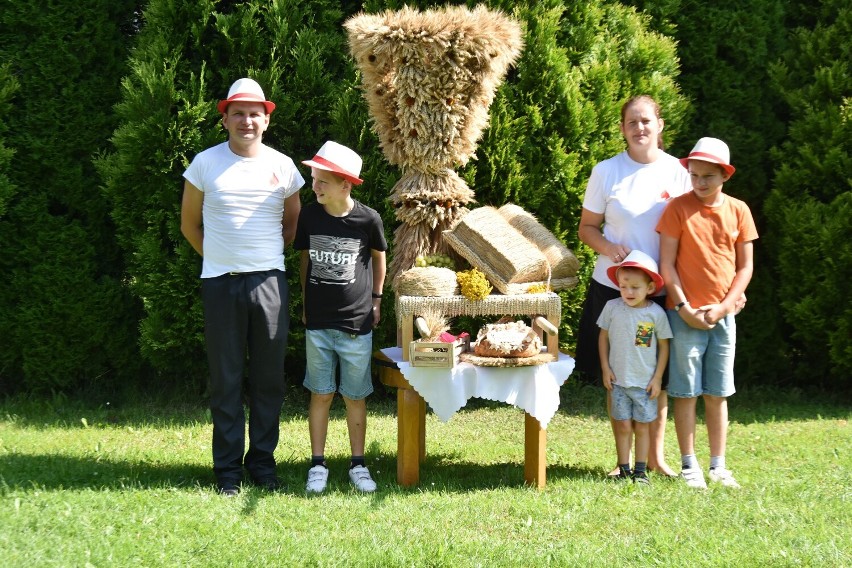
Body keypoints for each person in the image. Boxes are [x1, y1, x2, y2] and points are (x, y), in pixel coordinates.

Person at [181, 78, 305, 496]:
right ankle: (227, 470)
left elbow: (292, 225)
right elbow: (188, 224)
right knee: (226, 379)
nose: (246, 120)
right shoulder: (204, 163)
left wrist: (260, 258)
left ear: (266, 120)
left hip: (269, 282)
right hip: (219, 285)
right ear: (225, 119)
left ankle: (263, 465)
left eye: (255, 113)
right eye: (238, 113)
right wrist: (219, 257)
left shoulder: (283, 165)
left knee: (269, 379)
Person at [576, 95, 691, 477]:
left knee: (656, 373)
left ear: (659, 124)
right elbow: (587, 228)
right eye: (631, 122)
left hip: (661, 288)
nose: (639, 128)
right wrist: (610, 249)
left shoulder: (678, 172)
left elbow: (692, 230)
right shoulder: (606, 171)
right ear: (623, 129)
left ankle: (655, 458)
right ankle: (622, 461)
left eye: (646, 121)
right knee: (621, 374)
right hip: (615, 287)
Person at [657, 137, 758, 489]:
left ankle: (718, 465)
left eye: (707, 177)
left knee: (718, 392)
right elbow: (666, 265)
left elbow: (745, 268)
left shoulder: (739, 211)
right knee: (685, 392)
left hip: (723, 317)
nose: (699, 183)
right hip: (683, 316)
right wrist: (684, 308)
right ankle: (689, 465)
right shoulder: (677, 209)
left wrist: (726, 306)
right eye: (694, 175)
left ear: (724, 176)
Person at [294, 141, 388, 494]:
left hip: (355, 326)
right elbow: (305, 259)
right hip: (318, 324)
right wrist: (305, 302)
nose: (315, 186)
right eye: (314, 178)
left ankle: (357, 464)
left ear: (346, 185)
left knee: (354, 396)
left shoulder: (368, 219)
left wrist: (377, 299)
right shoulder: (309, 216)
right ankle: (317, 464)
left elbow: (379, 257)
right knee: (320, 394)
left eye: (323, 181)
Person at [597, 250, 672, 484]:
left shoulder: (655, 314)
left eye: (635, 287)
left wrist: (658, 378)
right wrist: (605, 369)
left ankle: (641, 471)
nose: (628, 292)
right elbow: (602, 338)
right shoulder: (612, 307)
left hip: (644, 383)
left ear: (650, 288)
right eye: (623, 286)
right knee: (622, 425)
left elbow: (664, 346)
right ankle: (623, 468)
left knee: (642, 427)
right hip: (618, 381)